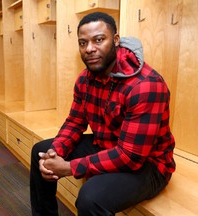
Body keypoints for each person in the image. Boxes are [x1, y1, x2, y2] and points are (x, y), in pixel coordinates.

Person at [30, 12, 176, 216]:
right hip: (107, 145)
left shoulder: (146, 85)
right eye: (83, 43)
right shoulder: (85, 79)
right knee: (41, 153)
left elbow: (130, 157)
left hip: (148, 164)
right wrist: (55, 154)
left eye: (99, 40)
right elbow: (74, 123)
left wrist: (70, 167)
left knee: (91, 198)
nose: (89, 49)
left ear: (116, 40)